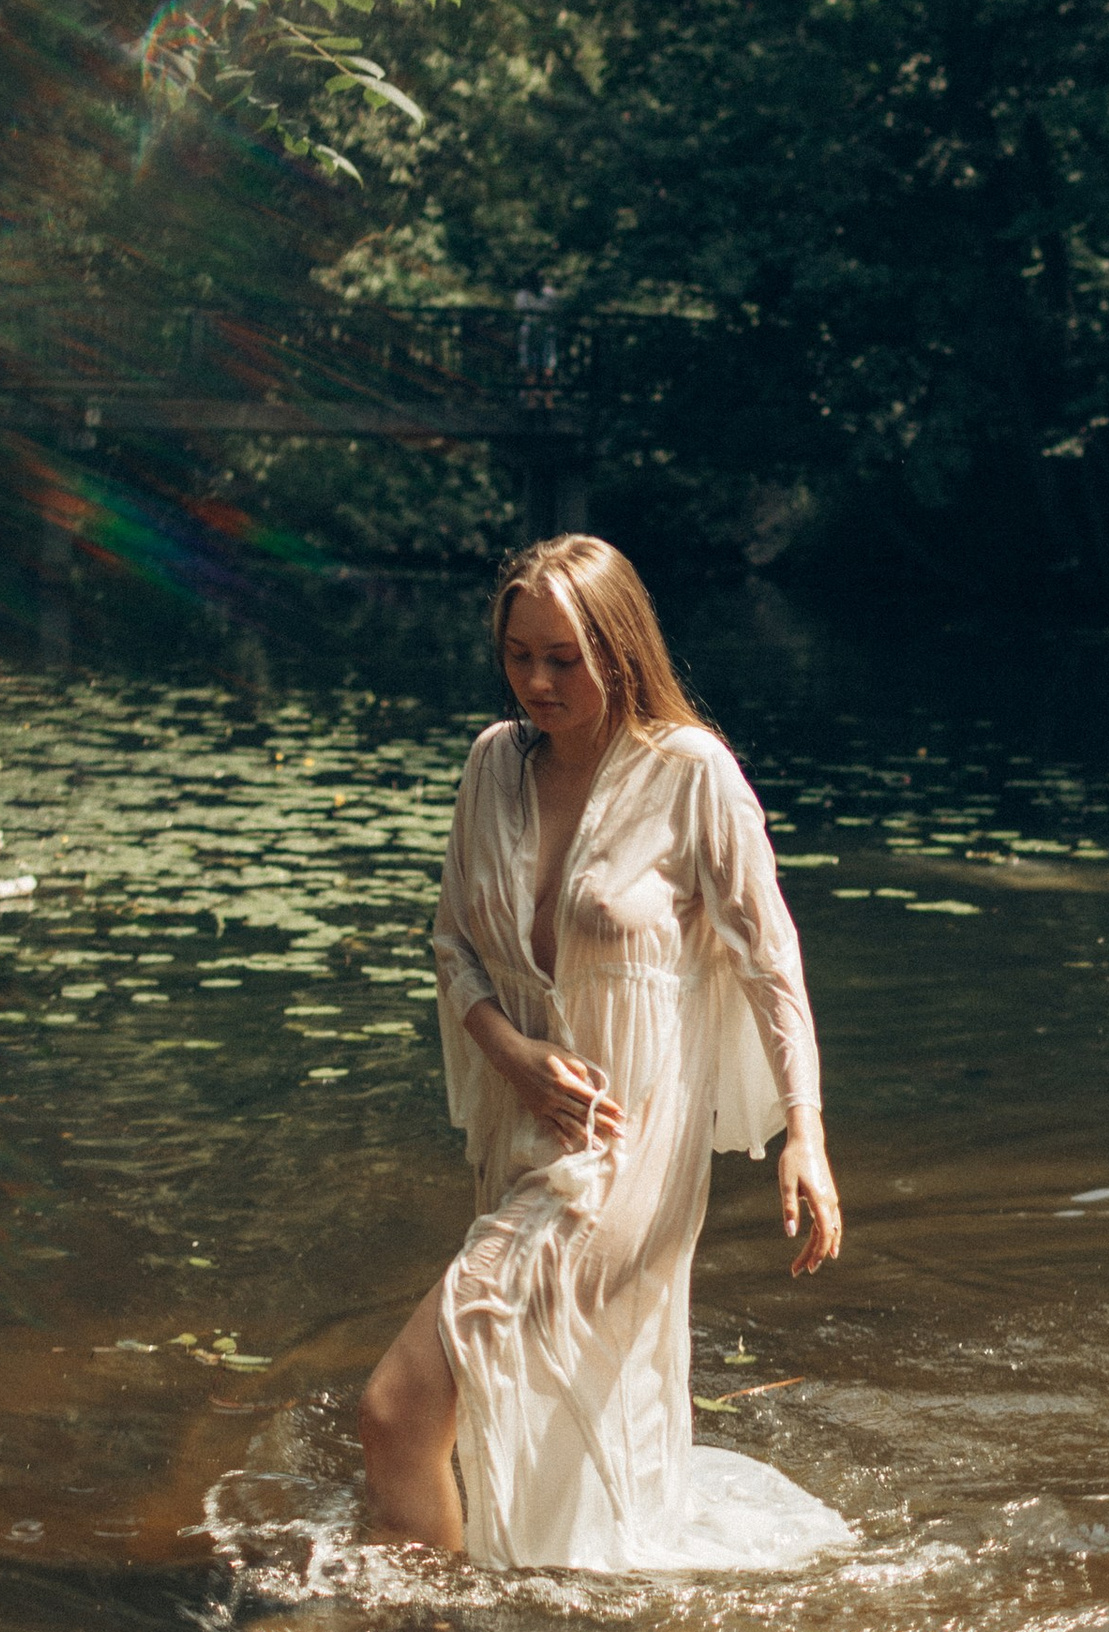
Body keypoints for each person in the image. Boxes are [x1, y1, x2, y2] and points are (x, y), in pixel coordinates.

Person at [359, 534, 847, 1571]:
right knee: (501, 1409)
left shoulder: (689, 775)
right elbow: (451, 944)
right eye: (518, 654)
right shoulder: (493, 765)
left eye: (564, 658)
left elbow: (770, 959)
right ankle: (514, 1622)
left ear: (620, 649)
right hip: (522, 1137)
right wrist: (508, 1054)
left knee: (397, 1409)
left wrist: (802, 1133)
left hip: (628, 1159)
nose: (536, 680)